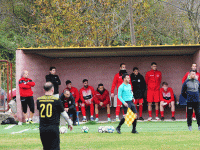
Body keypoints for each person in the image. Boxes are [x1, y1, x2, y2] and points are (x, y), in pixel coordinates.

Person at [37, 82, 73, 150]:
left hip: (43, 128)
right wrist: (69, 122)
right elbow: (63, 113)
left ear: (43, 90)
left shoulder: (39, 100)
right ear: (53, 89)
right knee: (55, 148)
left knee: (46, 148)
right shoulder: (56, 100)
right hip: (53, 128)